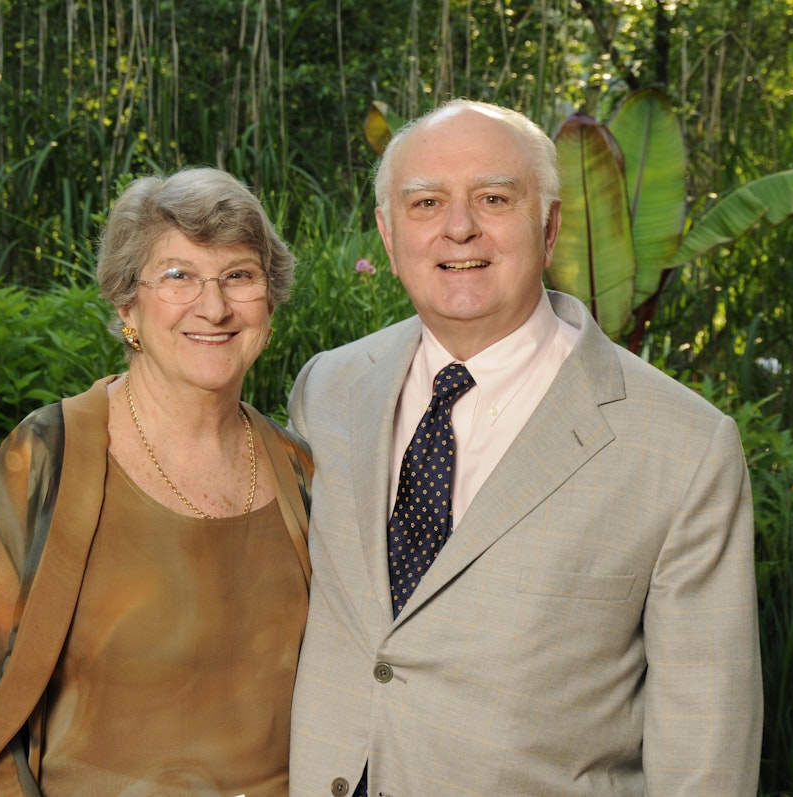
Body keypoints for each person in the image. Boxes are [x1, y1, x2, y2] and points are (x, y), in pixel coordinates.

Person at [286, 100, 763, 795]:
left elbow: (706, 749)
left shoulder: (684, 447)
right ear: (389, 238)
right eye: (426, 202)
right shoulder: (327, 389)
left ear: (550, 227)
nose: (459, 227)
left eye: (493, 197)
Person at [0, 167, 314, 796]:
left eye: (238, 275)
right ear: (126, 302)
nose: (213, 307)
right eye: (179, 275)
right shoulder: (45, 456)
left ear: (269, 299)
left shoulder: (300, 471)